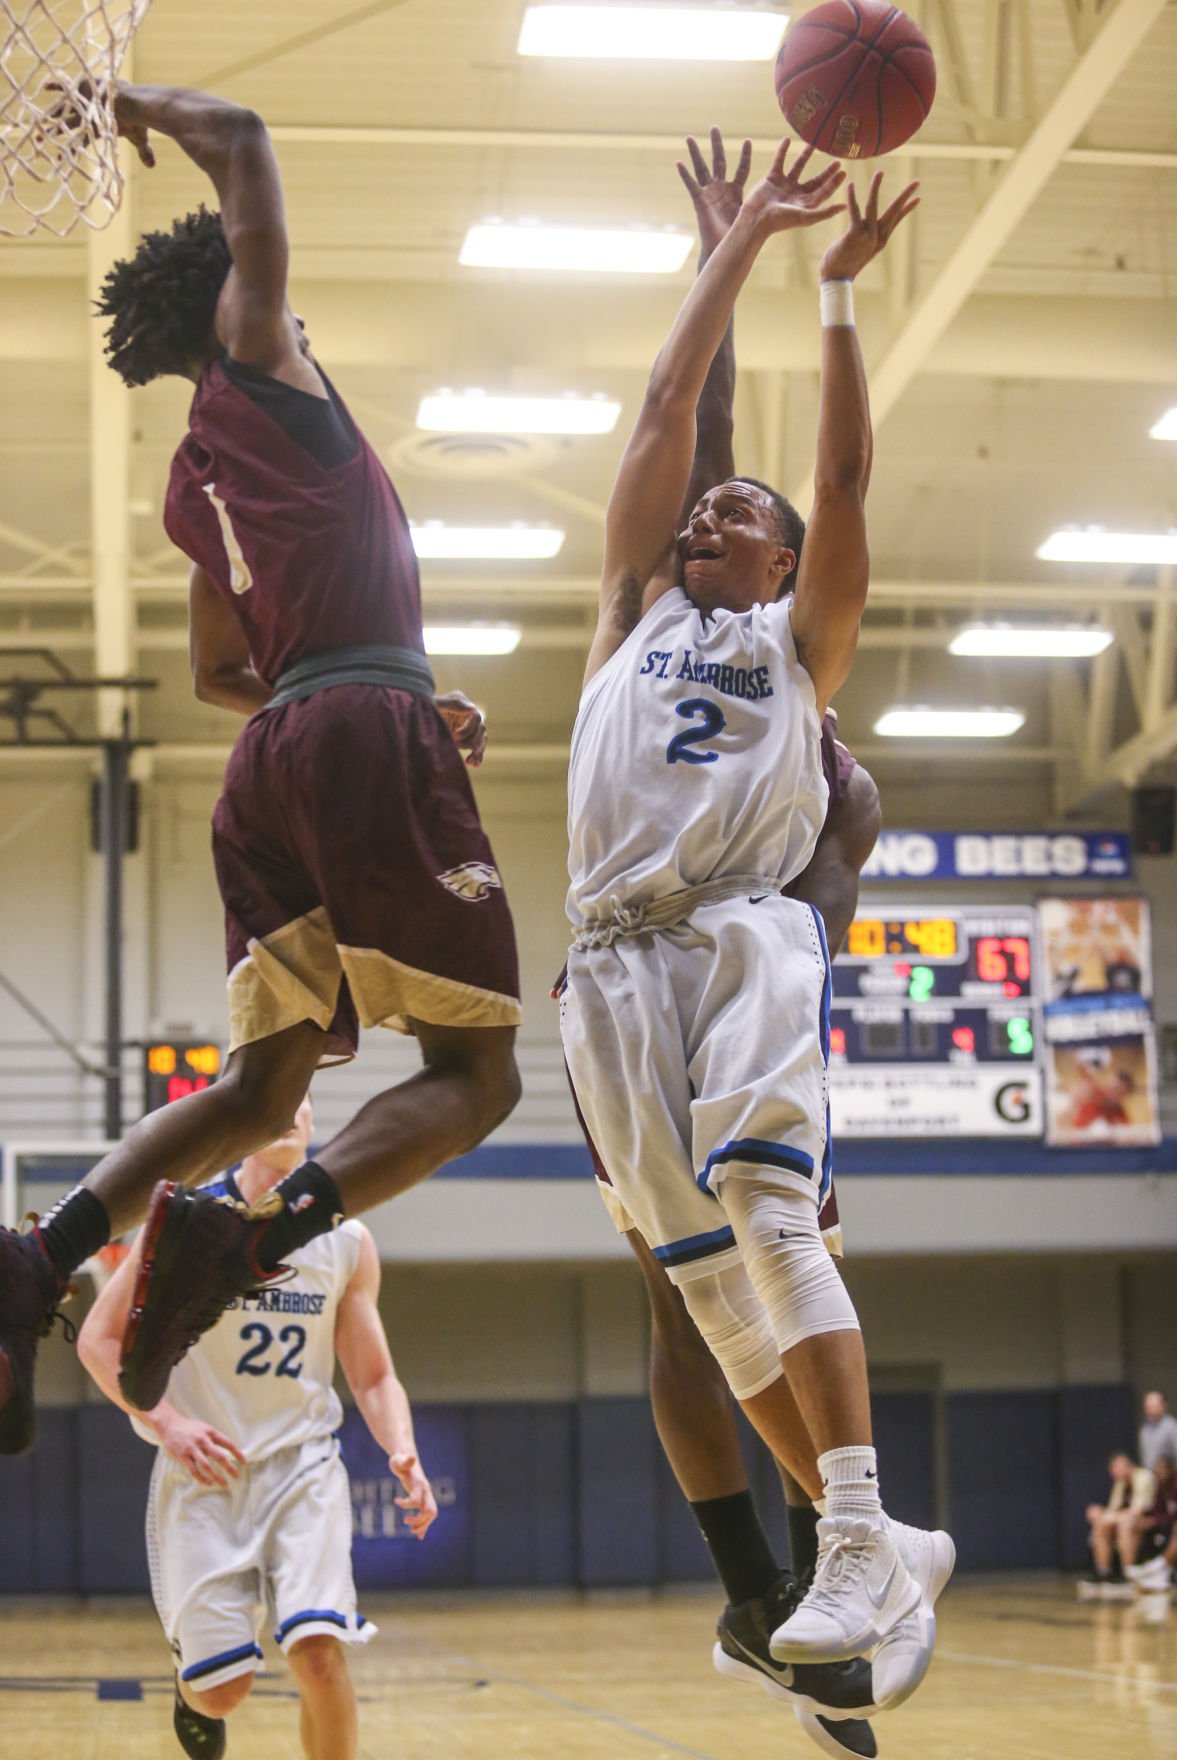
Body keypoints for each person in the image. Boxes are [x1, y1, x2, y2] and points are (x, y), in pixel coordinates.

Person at [0, 81, 522, 1455]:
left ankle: (41, 1255)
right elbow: (240, 136)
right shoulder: (263, 363)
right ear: (237, 298)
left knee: (261, 1095)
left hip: (272, 754)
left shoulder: (194, 473)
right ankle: (256, 1229)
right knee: (479, 1080)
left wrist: (375, 686)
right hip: (352, 727)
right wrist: (115, 100)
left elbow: (219, 676)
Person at [559, 130, 950, 1711]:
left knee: (772, 1221)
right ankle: (883, 1541)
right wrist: (729, 252)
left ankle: (848, 1530)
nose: (703, 507)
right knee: (713, 1294)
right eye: (698, 506)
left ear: (782, 561)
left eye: (738, 509)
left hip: (739, 938)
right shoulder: (629, 611)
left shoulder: (801, 647)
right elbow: (667, 407)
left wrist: (835, 294)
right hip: (605, 970)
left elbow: (846, 476)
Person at [78, 1096, 436, 1760]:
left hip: (303, 1470)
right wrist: (169, 1424)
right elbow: (97, 1342)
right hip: (203, 1472)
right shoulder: (183, 1224)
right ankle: (191, 1688)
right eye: (274, 1100)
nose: (288, 1111)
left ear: (312, 1122)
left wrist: (404, 1450)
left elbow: (374, 1376)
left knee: (319, 1654)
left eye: (301, 1102)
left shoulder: (346, 1239)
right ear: (239, 1125)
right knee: (221, 1693)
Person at [1080, 1451, 1156, 1596]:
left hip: (1150, 1520)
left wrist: (1110, 1516)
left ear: (1128, 1465)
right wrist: (1101, 1514)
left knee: (1125, 1524)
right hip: (1128, 1519)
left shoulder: (1144, 1476)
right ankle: (1103, 1572)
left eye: (1117, 1467)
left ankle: (1128, 1573)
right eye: (1112, 1469)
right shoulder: (1120, 1483)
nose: (1114, 1472)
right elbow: (1113, 1508)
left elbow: (1139, 1509)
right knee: (1102, 1524)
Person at [1121, 1455, 1177, 1591]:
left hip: (1170, 1523)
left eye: (1162, 1470)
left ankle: (1159, 1566)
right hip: (1164, 1524)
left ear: (1170, 1470)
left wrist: (1154, 1521)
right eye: (1156, 1471)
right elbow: (1158, 1510)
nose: (1158, 1473)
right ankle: (1130, 1572)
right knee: (1130, 1524)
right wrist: (1150, 1520)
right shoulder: (1158, 1487)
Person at [1140, 1390, 1177, 1473]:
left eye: (1153, 1406)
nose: (1150, 1410)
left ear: (1163, 1406)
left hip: (1169, 1476)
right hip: (1151, 1475)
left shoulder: (1171, 1426)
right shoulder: (1145, 1428)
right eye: (1147, 1407)